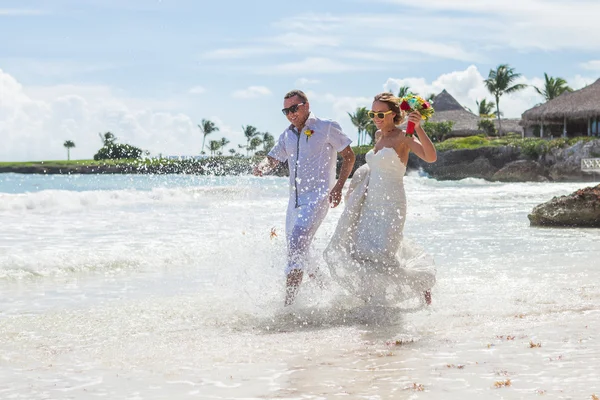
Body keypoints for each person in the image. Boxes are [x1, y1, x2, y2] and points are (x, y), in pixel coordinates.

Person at [324, 92, 437, 306]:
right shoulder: (378, 136)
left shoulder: (404, 136)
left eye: (381, 113)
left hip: (392, 204)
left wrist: (419, 128)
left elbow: (431, 157)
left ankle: (421, 282)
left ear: (394, 115)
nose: (376, 117)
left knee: (384, 256)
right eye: (373, 113)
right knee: (363, 253)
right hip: (371, 204)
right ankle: (374, 302)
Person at [253, 89, 356, 306]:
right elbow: (273, 159)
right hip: (294, 203)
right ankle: (328, 293)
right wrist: (260, 168)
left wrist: (338, 187)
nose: (291, 114)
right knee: (299, 250)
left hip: (318, 198)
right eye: (286, 111)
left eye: (294, 108)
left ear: (306, 106)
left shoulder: (326, 127)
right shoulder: (287, 135)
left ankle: (288, 306)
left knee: (297, 242)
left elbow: (349, 156)